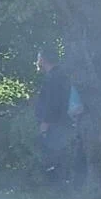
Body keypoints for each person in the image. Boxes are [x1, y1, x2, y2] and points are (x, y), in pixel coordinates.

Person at [33, 50, 76, 184]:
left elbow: (53, 103)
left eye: (38, 58)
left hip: (55, 125)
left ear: (43, 59)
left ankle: (58, 189)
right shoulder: (59, 75)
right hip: (61, 123)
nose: (37, 62)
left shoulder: (53, 77)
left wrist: (45, 123)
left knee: (54, 157)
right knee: (58, 156)